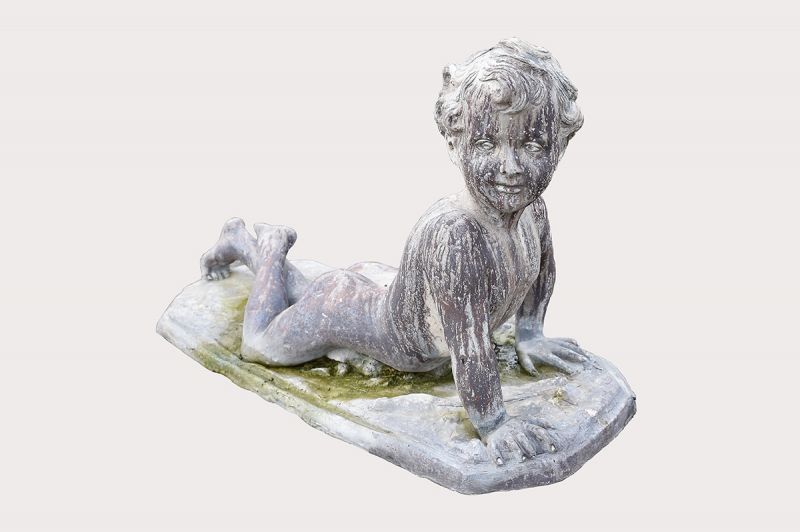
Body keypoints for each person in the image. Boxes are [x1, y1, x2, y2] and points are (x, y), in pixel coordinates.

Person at [199, 38, 588, 466]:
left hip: (376, 291)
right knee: (259, 345)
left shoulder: (533, 211)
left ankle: (246, 243)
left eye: (532, 146)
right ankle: (268, 245)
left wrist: (531, 334)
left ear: (559, 146)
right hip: (361, 315)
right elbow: (469, 345)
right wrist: (494, 423)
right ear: (455, 142)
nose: (511, 167)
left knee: (315, 292)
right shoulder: (456, 235)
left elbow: (543, 271)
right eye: (486, 144)